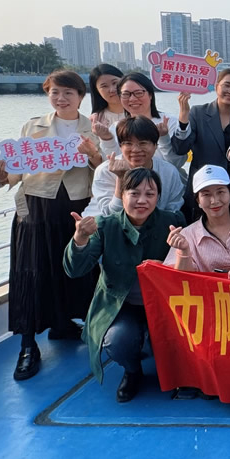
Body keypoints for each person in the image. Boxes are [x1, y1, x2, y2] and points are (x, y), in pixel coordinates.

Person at [0, 69, 103, 381]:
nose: (61, 98)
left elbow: (103, 168)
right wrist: (2, 176)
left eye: (68, 93)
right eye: (55, 92)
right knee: (32, 270)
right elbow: (17, 170)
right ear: (47, 94)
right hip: (37, 207)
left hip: (77, 204)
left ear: (81, 96)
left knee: (78, 267)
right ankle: (28, 345)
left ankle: (64, 323)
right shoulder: (33, 126)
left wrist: (93, 153)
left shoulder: (92, 128)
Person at [64, 167, 184, 402]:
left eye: (150, 194)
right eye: (134, 193)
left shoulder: (172, 222)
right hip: (121, 305)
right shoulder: (105, 226)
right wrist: (80, 238)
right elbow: (75, 269)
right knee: (118, 340)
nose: (142, 200)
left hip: (163, 304)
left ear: (158, 197)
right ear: (122, 195)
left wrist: (175, 257)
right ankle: (132, 370)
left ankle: (177, 368)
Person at [172, 68, 230, 217]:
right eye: (227, 85)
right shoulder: (198, 113)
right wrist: (184, 118)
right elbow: (181, 148)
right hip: (203, 187)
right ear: (216, 86)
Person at [163, 165, 230, 273]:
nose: (214, 201)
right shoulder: (187, 235)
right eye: (206, 194)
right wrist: (183, 251)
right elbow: (179, 278)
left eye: (220, 192)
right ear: (198, 200)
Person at [86, 116, 185, 217]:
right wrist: (121, 178)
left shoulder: (169, 172)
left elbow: (173, 211)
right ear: (120, 146)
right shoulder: (105, 170)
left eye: (143, 143)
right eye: (128, 144)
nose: (136, 150)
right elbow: (111, 214)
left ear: (155, 145)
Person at [95, 72, 186, 170]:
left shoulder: (169, 122)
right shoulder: (117, 127)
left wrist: (164, 138)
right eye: (126, 94)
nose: (132, 99)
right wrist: (107, 139)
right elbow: (114, 164)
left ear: (150, 94)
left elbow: (176, 164)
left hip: (165, 178)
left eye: (138, 93)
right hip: (129, 179)